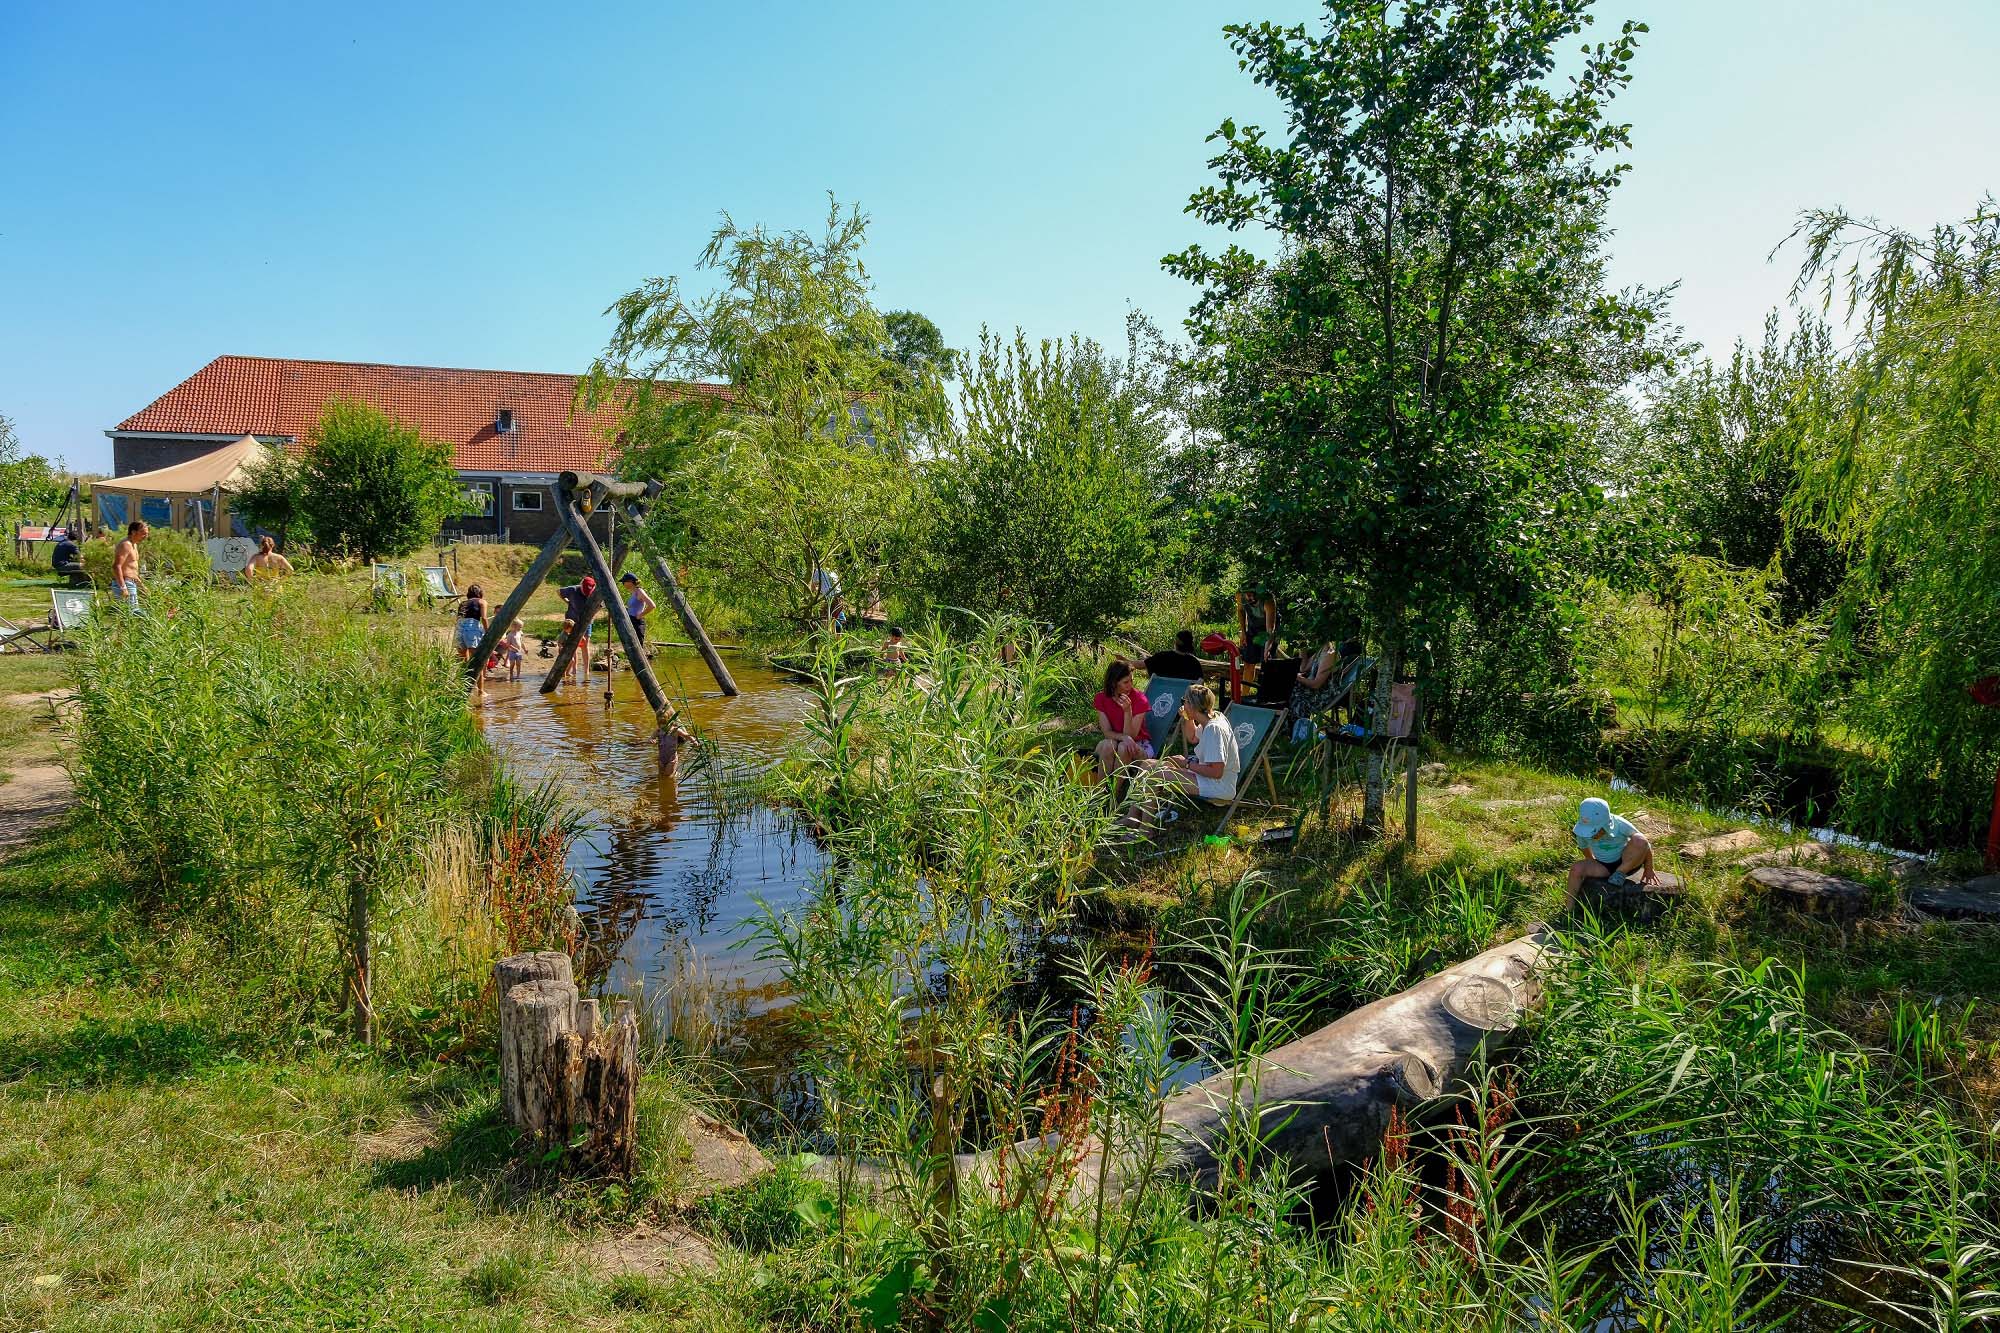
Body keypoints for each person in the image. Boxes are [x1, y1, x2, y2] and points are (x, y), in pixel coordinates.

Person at [1127, 682, 1240, 820]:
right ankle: (1131, 817)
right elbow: (1192, 737)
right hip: (1208, 778)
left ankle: (1146, 829)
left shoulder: (1214, 729)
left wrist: (1186, 764)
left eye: (1184, 701)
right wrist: (1187, 717)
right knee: (1147, 764)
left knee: (1155, 774)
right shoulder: (1212, 717)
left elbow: (1216, 772)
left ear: (1192, 706)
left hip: (1219, 786)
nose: (1183, 704)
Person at [1566, 796, 1656, 903]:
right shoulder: (1582, 831)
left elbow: (1644, 844)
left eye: (1596, 831)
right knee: (1576, 869)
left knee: (1639, 839)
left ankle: (1620, 872)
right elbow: (1584, 847)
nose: (1592, 835)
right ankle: (1569, 908)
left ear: (1606, 824)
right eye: (1589, 831)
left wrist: (1649, 868)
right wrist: (1591, 861)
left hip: (1628, 862)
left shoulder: (1620, 824)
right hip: (1604, 865)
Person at [1092, 659, 1152, 780]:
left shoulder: (1140, 699)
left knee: (1124, 748)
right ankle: (1099, 793)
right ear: (1114, 683)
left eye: (1131, 681)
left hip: (1138, 745)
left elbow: (1131, 736)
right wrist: (1123, 737)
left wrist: (1127, 712)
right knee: (1109, 745)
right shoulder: (1101, 698)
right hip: (1115, 741)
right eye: (1126, 682)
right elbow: (1107, 732)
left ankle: (1115, 795)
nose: (1130, 685)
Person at [1291, 638, 1365, 722]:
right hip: (1313, 691)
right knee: (1286, 689)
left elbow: (1316, 684)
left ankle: (1294, 728)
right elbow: (1303, 668)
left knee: (1293, 696)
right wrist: (1302, 646)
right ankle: (1281, 726)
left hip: (1322, 696)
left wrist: (1296, 677)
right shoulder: (1321, 650)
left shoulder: (1330, 654)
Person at [556, 576, 599, 686]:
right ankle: (572, 670)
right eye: (585, 591)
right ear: (581, 585)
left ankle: (586, 671)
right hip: (571, 622)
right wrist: (568, 602)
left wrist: (592, 614)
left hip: (587, 622)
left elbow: (600, 605)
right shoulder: (573, 590)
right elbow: (559, 591)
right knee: (572, 645)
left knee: (585, 645)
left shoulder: (595, 593)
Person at [456, 582, 489, 694]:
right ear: (480, 593)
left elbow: (458, 619)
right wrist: (488, 632)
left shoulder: (462, 603)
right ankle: (481, 691)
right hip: (472, 628)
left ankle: (464, 689)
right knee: (477, 661)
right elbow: (484, 618)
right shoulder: (482, 602)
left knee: (463, 662)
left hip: (459, 628)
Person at [111, 520, 147, 610]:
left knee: (131, 614)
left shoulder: (134, 545)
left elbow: (131, 568)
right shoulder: (125, 544)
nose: (145, 536)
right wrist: (123, 587)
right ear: (134, 532)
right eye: (143, 533)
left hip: (132, 582)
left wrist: (141, 586)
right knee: (129, 614)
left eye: (146, 534)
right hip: (125, 583)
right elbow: (116, 566)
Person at [619, 572, 656, 646]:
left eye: (624, 582)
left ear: (630, 582)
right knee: (631, 645)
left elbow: (652, 605)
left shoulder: (639, 591)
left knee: (638, 645)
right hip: (631, 620)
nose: (623, 584)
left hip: (637, 622)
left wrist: (640, 615)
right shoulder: (633, 592)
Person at [500, 618, 528, 682]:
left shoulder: (519, 633)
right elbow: (508, 644)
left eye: (521, 627)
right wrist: (514, 648)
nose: (521, 629)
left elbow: (521, 642)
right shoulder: (510, 635)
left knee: (519, 664)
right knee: (512, 664)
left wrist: (525, 649)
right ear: (514, 626)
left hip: (519, 652)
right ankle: (511, 674)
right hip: (512, 652)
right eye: (520, 627)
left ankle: (518, 675)